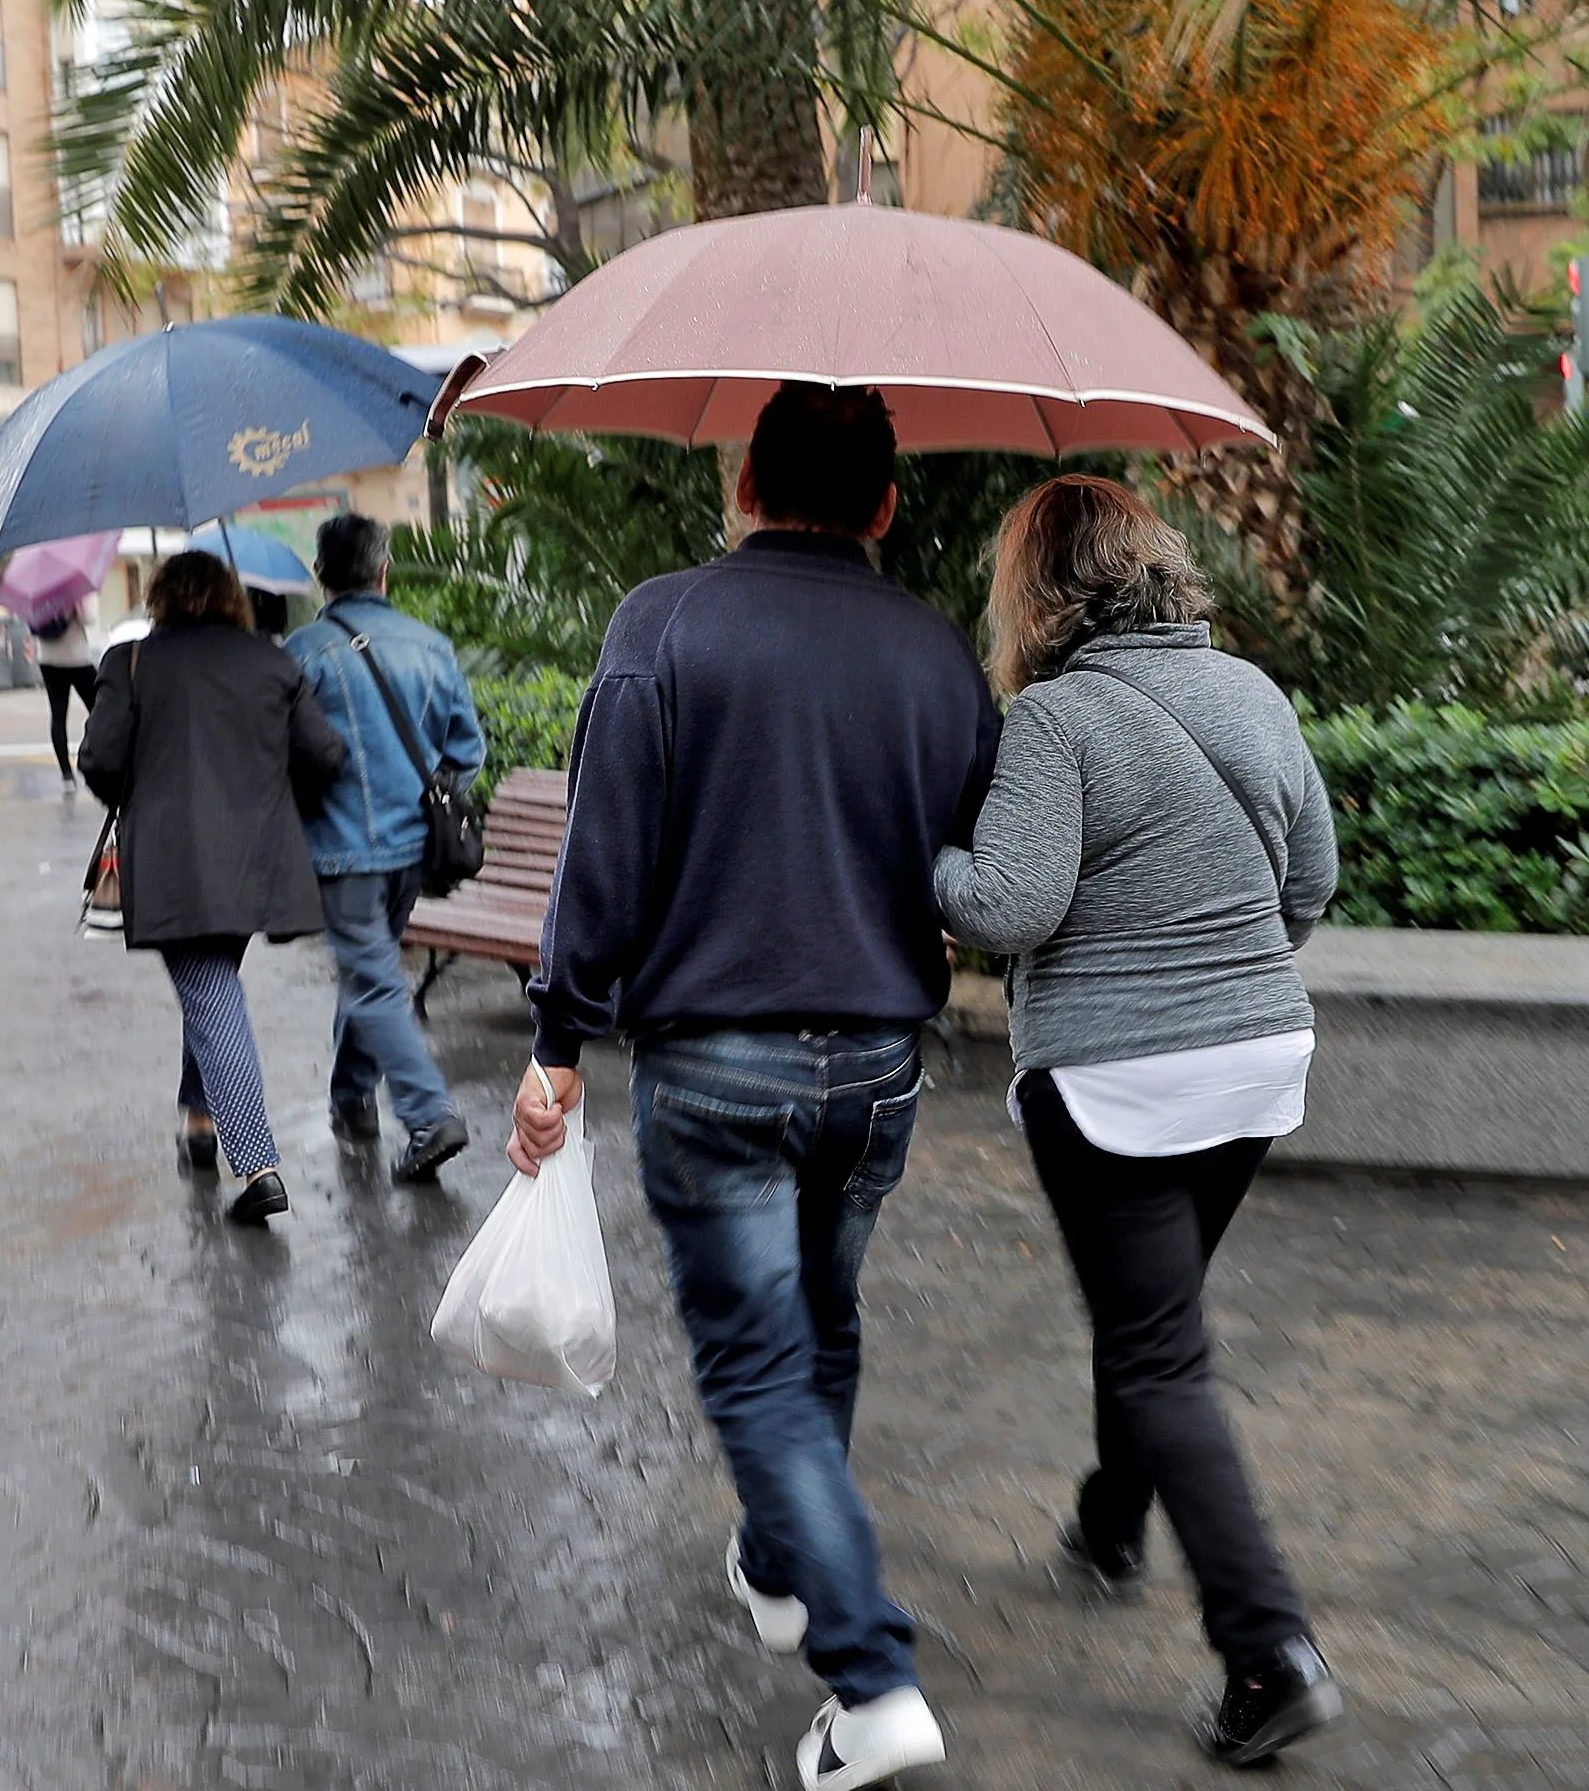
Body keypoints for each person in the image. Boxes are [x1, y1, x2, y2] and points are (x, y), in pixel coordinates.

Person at [511, 383, 998, 1791]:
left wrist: (556, 1046)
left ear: (741, 478)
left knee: (757, 1368)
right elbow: (967, 855)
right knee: (822, 1322)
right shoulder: (936, 653)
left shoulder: (663, 625)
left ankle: (870, 1670)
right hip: (880, 1067)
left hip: (718, 1064)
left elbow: (602, 856)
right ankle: (784, 1560)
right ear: (887, 505)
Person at [928, 475, 1345, 1769]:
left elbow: (1005, 910)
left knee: (1160, 1350)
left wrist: (917, 852)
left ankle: (1268, 1648)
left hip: (1119, 1083)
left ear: (1037, 593)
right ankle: (1113, 1515)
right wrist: (1226, 976)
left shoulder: (1053, 722)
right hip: (1259, 1063)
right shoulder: (1252, 694)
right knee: (1151, 1312)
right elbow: (1312, 880)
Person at [80, 549, 349, 1225]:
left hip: (173, 861)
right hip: (256, 858)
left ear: (161, 598)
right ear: (232, 595)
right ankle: (199, 1118)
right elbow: (324, 755)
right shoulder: (272, 661)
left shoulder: (131, 663)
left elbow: (100, 760)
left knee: (210, 990)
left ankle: (258, 1164)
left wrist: (139, 793)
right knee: (212, 982)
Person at [283, 513, 487, 1183]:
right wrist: (427, 791)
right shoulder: (430, 644)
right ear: (384, 571)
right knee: (367, 974)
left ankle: (428, 1116)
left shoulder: (302, 652)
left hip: (343, 852)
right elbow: (467, 749)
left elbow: (285, 752)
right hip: (412, 853)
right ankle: (351, 1098)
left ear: (321, 576)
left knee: (371, 982)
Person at [31, 596, 106, 790]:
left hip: (47, 658)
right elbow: (89, 619)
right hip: (76, 658)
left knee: (58, 715)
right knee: (101, 709)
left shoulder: (39, 589)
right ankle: (104, 758)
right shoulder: (76, 588)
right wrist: (75, 607)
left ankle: (66, 775)